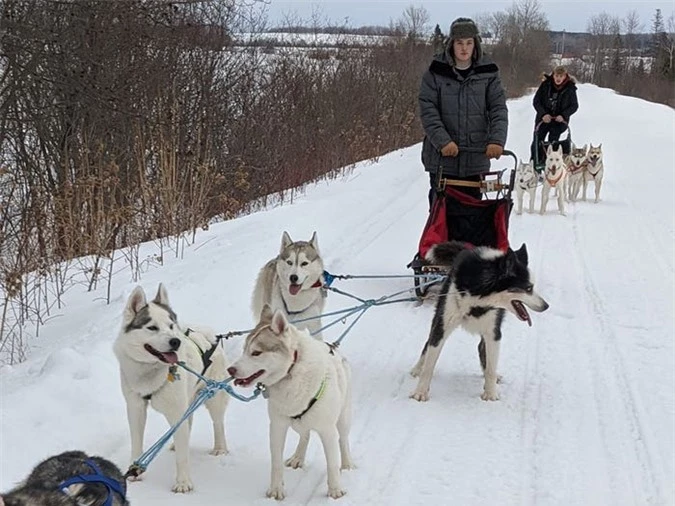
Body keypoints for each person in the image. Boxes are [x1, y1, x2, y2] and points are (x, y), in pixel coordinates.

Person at [419, 17, 508, 203]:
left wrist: (497, 140)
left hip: (475, 158)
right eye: (459, 43)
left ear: (476, 44)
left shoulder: (488, 72)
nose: (464, 48)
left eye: (469, 43)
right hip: (442, 160)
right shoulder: (435, 72)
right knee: (441, 218)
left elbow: (498, 109)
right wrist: (443, 142)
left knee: (471, 217)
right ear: (451, 44)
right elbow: (428, 110)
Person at [530, 65, 578, 162]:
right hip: (543, 119)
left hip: (559, 122)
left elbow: (574, 106)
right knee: (537, 142)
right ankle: (535, 164)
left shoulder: (570, 88)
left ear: (565, 76)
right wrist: (543, 114)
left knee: (553, 142)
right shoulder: (545, 85)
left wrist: (563, 115)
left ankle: (551, 164)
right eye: (556, 76)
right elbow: (536, 101)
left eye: (561, 76)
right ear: (553, 75)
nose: (558, 78)